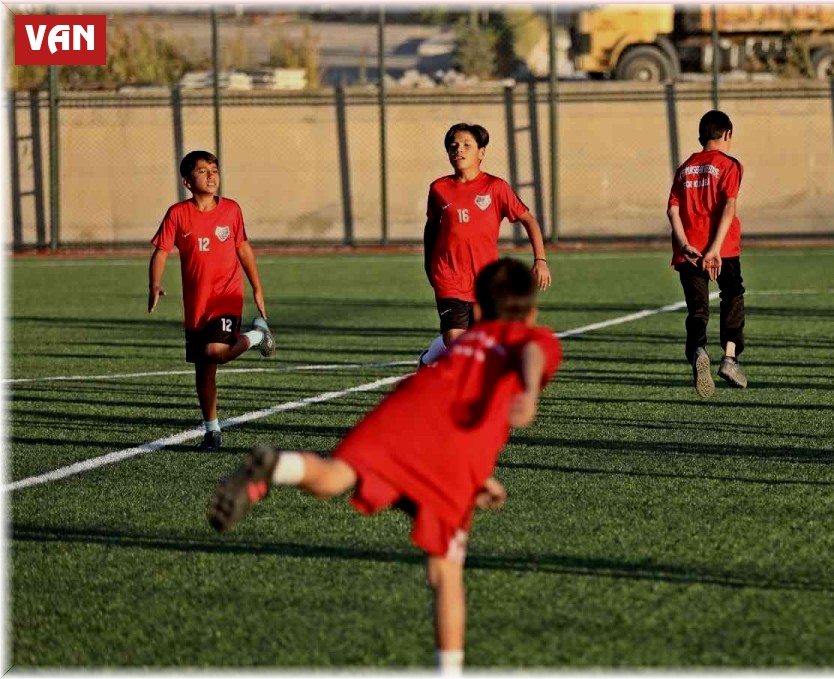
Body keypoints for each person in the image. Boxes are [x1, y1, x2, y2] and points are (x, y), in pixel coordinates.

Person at [207, 258, 562, 674]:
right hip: (451, 454)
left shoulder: (465, 341)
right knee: (446, 574)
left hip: (405, 410)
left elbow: (432, 398)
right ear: (532, 312)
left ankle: (277, 466)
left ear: (478, 310)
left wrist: (477, 477)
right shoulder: (532, 338)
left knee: (334, 477)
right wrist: (532, 393)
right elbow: (534, 351)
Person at [148, 150, 275, 451]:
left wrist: (256, 287)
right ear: (187, 181)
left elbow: (243, 247)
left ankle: (256, 337)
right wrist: (154, 283)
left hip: (226, 296)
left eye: (215, 169)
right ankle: (212, 431)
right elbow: (162, 251)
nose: (211, 175)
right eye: (203, 171)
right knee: (204, 369)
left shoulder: (231, 210)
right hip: (197, 305)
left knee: (216, 351)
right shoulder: (177, 214)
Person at [419, 123, 551, 369]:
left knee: (480, 342)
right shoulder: (438, 188)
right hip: (449, 275)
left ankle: (429, 359)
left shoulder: (495, 187)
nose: (458, 150)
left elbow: (528, 220)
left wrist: (540, 260)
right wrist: (429, 265)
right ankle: (437, 372)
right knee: (455, 340)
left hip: (485, 280)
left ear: (481, 152)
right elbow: (431, 228)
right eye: (453, 146)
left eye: (466, 145)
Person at [667, 110, 748, 398]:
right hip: (722, 249)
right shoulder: (729, 165)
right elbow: (728, 206)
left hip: (688, 250)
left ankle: (699, 350)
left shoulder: (684, 168)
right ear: (727, 134)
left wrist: (685, 243)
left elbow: (673, 210)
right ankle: (729, 358)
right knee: (733, 295)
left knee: (698, 310)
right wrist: (715, 248)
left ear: (701, 136)